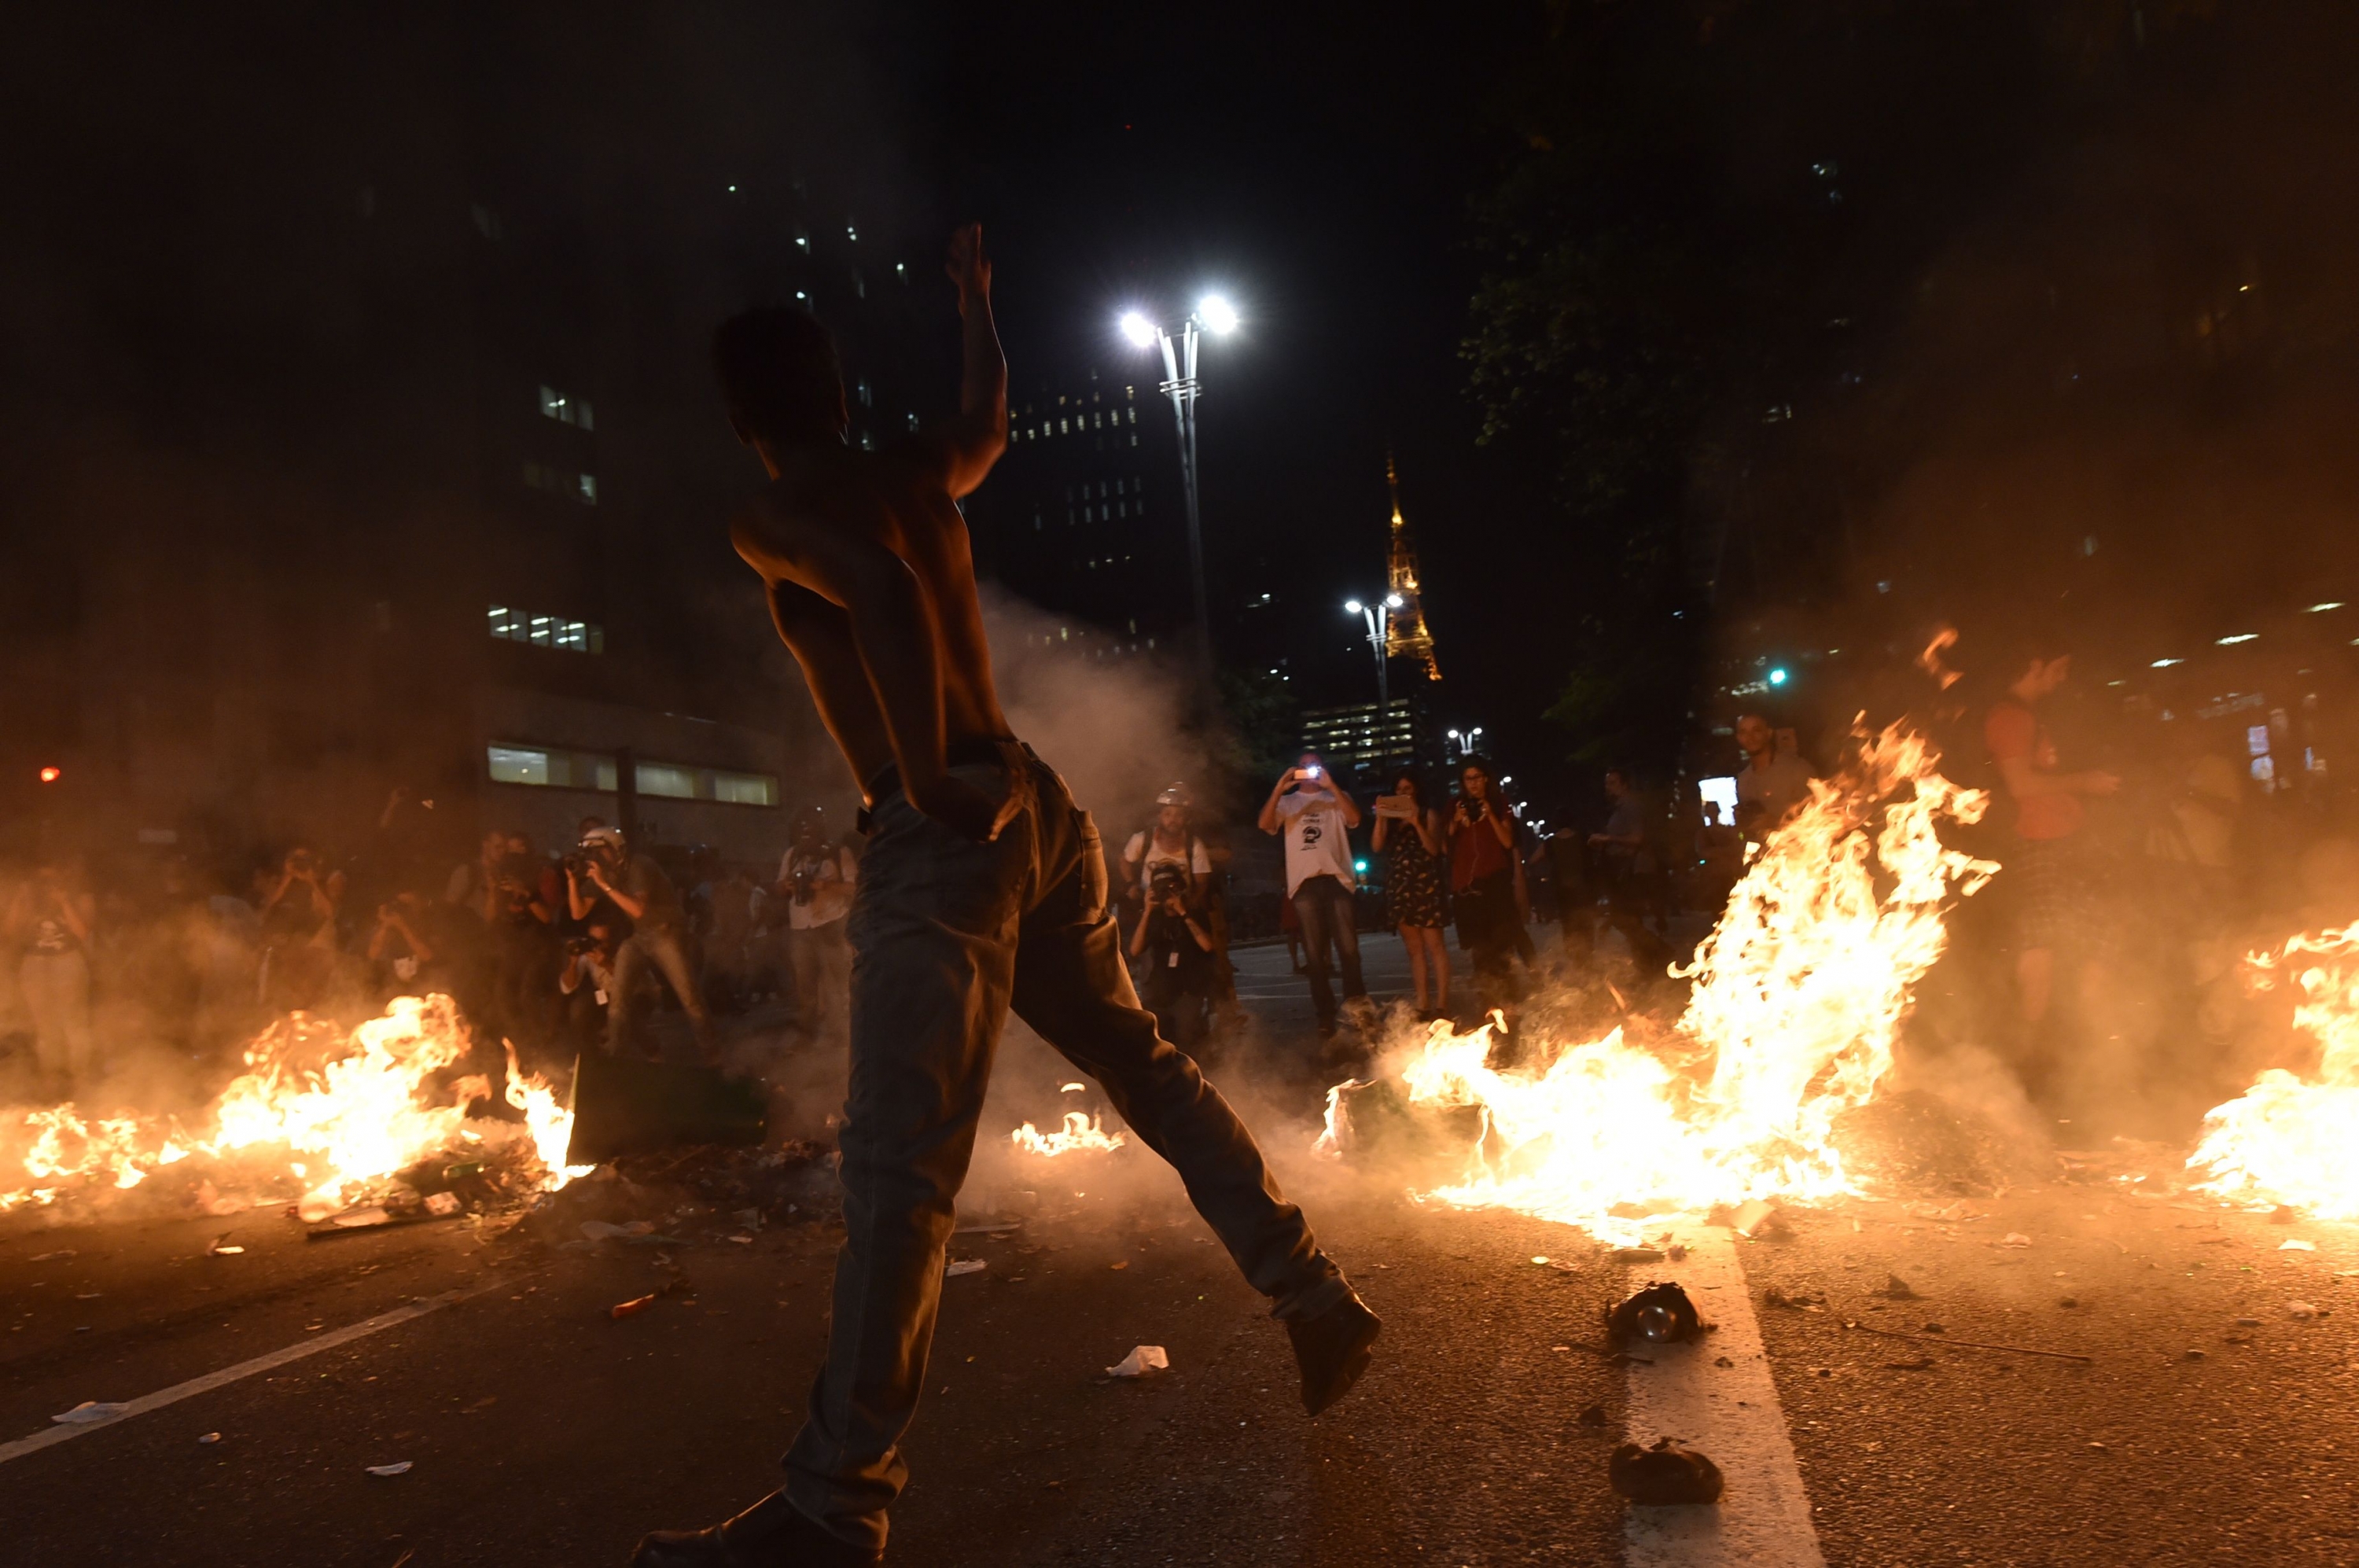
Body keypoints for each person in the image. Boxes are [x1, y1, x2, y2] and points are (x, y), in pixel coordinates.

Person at [633, 225, 1374, 1568]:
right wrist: (976, 299)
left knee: (897, 1175)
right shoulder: (910, 467)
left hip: (945, 828)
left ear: (744, 418)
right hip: (1032, 801)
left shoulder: (775, 509)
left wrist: (918, 775)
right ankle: (1310, 1289)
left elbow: (882, 592)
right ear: (839, 392)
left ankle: (831, 1507)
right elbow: (987, 422)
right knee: (1139, 1063)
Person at [1984, 641, 2119, 1036]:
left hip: (2064, 843)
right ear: (2034, 665)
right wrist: (2086, 782)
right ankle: (2031, 1047)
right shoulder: (2009, 718)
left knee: (2101, 932)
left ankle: (2094, 1039)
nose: (2063, 678)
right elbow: (2021, 784)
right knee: (2040, 944)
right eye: (2058, 669)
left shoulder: (2027, 716)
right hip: (2038, 844)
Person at [570, 826, 715, 1063]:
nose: (594, 858)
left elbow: (638, 909)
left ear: (616, 850)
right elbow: (578, 912)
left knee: (689, 997)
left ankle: (713, 1055)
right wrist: (571, 881)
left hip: (667, 931)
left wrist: (605, 885)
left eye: (599, 851)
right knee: (618, 995)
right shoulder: (604, 873)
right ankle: (613, 1055)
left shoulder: (638, 865)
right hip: (641, 935)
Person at [1256, 751, 1369, 1043]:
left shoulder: (1336, 796)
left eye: (1314, 765)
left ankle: (1359, 1012)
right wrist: (1279, 788)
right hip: (1304, 884)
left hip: (1336, 879)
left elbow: (1355, 819)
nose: (1309, 771)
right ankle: (1325, 1016)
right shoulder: (1288, 801)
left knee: (1349, 951)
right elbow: (1265, 825)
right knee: (1315, 957)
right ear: (1296, 771)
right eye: (1303, 766)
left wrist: (1331, 787)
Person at [1372, 770, 1450, 1021]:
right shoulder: (1392, 822)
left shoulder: (1428, 815)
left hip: (1425, 885)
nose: (1404, 793)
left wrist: (1417, 823)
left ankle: (1441, 1004)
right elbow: (1376, 846)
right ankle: (1423, 1003)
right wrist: (1381, 817)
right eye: (1399, 790)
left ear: (1416, 790)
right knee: (1414, 950)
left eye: (1408, 789)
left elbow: (1434, 849)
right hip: (1401, 887)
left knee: (1435, 946)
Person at [9, 861, 96, 1087]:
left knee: (73, 1022)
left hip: (67, 962)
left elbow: (82, 932)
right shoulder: (30, 897)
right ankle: (52, 1078)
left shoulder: (79, 895)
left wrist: (64, 902)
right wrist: (22, 897)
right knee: (44, 1025)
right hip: (34, 963)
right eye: (42, 878)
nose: (47, 883)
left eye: (52, 877)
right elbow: (10, 930)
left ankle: (81, 1077)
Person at [1448, 760, 1525, 1010]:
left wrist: (1490, 813)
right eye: (1468, 779)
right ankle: (1489, 1006)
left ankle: (1510, 1002)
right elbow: (1442, 846)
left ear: (1486, 779)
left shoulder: (1499, 802)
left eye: (1478, 777)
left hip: (1495, 885)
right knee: (1480, 953)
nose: (1474, 783)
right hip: (1467, 890)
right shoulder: (1454, 805)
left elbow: (1507, 842)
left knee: (1502, 947)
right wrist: (1456, 821)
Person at [777, 812, 856, 1049]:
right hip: (801, 926)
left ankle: (839, 1034)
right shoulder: (792, 855)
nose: (806, 837)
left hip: (831, 924)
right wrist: (789, 886)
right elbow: (779, 887)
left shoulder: (838, 853)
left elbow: (853, 887)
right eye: (802, 832)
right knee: (805, 986)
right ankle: (806, 1035)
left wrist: (825, 886)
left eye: (810, 832)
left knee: (836, 984)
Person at [1128, 863, 1216, 1051]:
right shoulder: (1153, 917)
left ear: (1180, 887)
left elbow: (1208, 946)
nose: (1167, 894)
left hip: (1189, 989)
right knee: (1158, 1044)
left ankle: (1193, 1075)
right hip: (1161, 991)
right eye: (1162, 889)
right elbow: (1135, 950)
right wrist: (1147, 911)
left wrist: (1183, 913)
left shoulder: (1194, 912)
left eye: (1171, 888)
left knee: (1187, 1040)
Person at [1588, 768, 1670, 967]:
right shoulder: (1619, 808)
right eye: (1607, 783)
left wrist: (1608, 838)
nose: (1608, 788)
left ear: (1625, 784)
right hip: (1624, 868)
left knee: (1625, 917)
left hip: (1635, 868)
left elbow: (1637, 838)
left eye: (1613, 783)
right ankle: (1647, 961)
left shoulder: (1630, 806)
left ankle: (1658, 953)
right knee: (1627, 917)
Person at [257, 845, 344, 1012]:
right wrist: (288, 877)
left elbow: (329, 912)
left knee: (312, 1000)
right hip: (286, 951)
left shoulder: (321, 884)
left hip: (313, 951)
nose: (300, 864)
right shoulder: (284, 885)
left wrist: (311, 881)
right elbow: (268, 907)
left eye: (305, 860)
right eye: (296, 860)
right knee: (283, 999)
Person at [1732, 712, 1815, 842]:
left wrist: (1777, 822)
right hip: (1766, 857)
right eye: (1743, 732)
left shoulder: (1796, 768)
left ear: (1769, 733)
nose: (1750, 737)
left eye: (1756, 730)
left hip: (1800, 853)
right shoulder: (1743, 780)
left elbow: (1821, 817)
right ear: (1738, 738)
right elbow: (1745, 832)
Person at [558, 918, 622, 1055]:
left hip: (633, 996)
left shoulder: (624, 951)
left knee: (621, 1014)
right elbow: (567, 987)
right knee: (579, 1007)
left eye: (602, 941)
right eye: (593, 940)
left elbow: (632, 984)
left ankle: (649, 1051)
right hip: (606, 996)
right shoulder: (590, 954)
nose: (597, 945)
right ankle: (588, 1055)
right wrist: (573, 963)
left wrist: (608, 965)